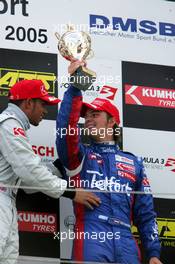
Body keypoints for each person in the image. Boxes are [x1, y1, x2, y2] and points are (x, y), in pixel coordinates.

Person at [56, 60, 162, 264]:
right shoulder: (80, 156)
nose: (87, 119)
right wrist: (75, 86)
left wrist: (154, 254)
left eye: (95, 115)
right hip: (92, 236)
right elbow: (65, 132)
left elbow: (146, 214)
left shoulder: (134, 163)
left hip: (126, 240)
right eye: (85, 116)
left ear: (112, 121)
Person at [0, 79, 100, 264]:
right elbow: (30, 171)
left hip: (7, 202)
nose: (45, 110)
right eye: (43, 104)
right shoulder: (10, 124)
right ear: (28, 103)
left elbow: (28, 182)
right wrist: (72, 192)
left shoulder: (12, 125)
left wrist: (56, 169)